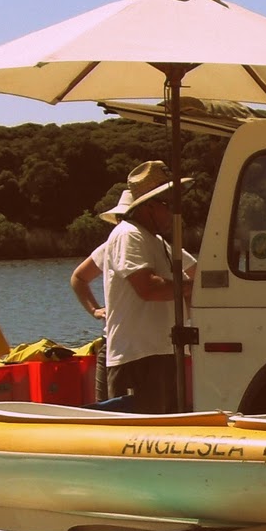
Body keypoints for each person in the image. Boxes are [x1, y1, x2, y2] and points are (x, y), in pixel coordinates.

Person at [96, 161, 197, 413]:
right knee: (137, 431)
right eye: (166, 204)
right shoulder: (128, 234)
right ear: (149, 207)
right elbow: (148, 288)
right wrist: (191, 287)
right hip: (137, 356)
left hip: (156, 352)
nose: (171, 211)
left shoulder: (152, 239)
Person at [68, 189, 134, 403]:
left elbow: (193, 274)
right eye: (121, 220)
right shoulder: (110, 247)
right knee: (106, 404)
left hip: (141, 346)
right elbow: (79, 278)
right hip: (114, 341)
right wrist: (95, 310)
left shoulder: (159, 246)